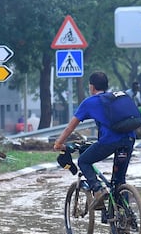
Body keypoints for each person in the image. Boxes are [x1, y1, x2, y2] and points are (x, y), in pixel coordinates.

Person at [53, 71, 136, 202]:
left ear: (91, 87)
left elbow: (71, 127)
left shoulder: (90, 102)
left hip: (109, 142)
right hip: (129, 140)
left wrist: (59, 143)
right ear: (106, 86)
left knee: (83, 161)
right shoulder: (115, 99)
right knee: (119, 181)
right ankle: (125, 217)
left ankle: (98, 189)